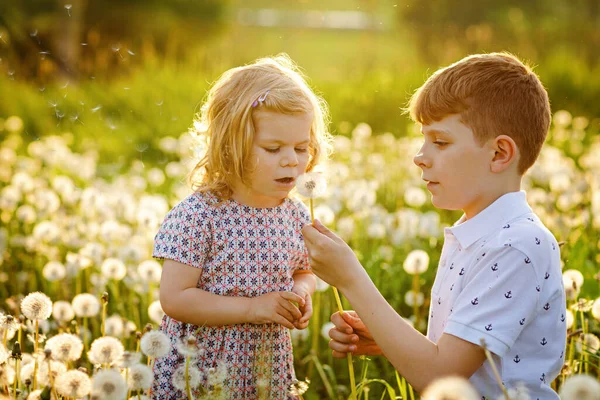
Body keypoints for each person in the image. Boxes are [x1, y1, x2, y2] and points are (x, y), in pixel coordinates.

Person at [302, 53, 566, 399]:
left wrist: (351, 277)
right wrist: (386, 338)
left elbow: (441, 378)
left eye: (440, 142)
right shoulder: (476, 233)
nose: (419, 155)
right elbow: (464, 359)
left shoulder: (515, 246)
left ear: (500, 154)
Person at [151, 54, 332, 399]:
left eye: (301, 147)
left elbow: (304, 271)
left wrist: (301, 294)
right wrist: (252, 308)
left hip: (267, 367)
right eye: (273, 147)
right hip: (200, 370)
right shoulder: (200, 215)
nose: (291, 159)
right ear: (232, 146)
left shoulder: (296, 216)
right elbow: (174, 298)